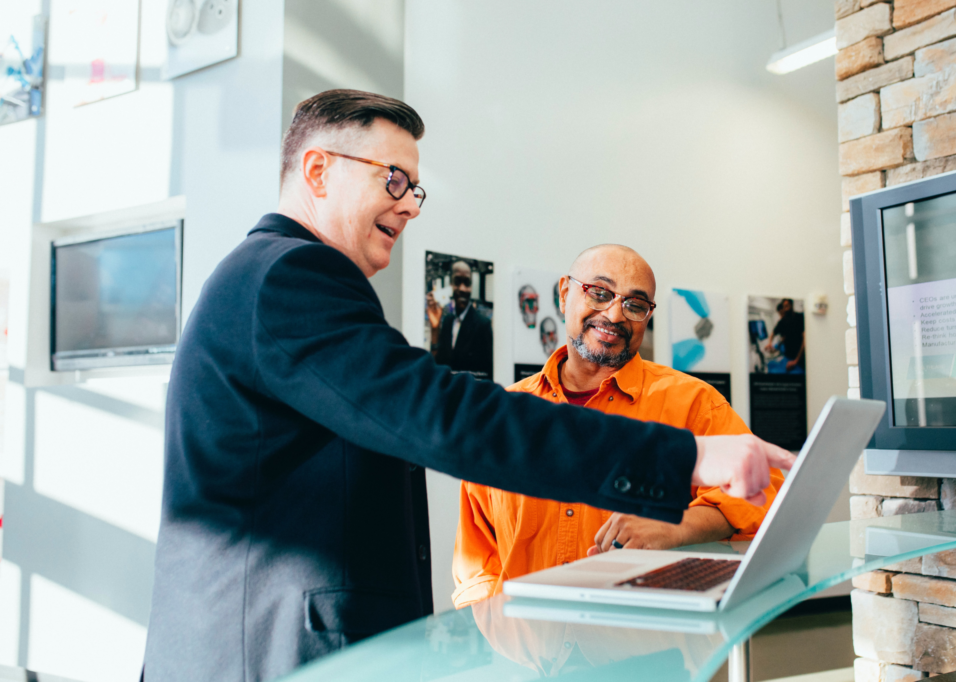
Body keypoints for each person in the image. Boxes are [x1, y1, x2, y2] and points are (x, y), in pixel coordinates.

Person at [142, 89, 795, 682]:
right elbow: (442, 417)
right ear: (317, 171)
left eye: (415, 189)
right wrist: (689, 457)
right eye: (393, 179)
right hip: (269, 653)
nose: (408, 204)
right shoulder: (291, 276)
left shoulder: (269, 277)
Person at [452, 245, 783, 608]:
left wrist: (675, 526)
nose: (614, 314)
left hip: (644, 648)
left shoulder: (693, 403)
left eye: (635, 304)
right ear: (565, 294)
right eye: (599, 292)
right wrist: (495, 640)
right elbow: (476, 560)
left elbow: (766, 490)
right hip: (526, 652)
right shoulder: (506, 414)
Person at [426, 260, 493, 379]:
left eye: (467, 283)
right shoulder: (447, 321)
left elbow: (487, 375)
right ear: (451, 284)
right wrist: (435, 329)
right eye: (457, 282)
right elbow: (439, 365)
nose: (462, 289)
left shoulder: (483, 325)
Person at [768, 298, 806, 373]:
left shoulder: (799, 318)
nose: (782, 315)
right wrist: (770, 343)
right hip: (787, 357)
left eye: (787, 306)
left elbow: (805, 339)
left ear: (791, 305)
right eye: (780, 314)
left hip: (799, 359)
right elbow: (774, 333)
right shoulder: (782, 322)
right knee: (771, 365)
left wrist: (796, 360)